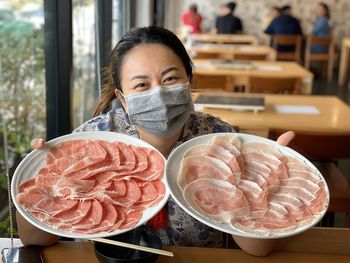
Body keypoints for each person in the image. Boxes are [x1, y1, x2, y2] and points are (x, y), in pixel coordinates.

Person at [16, 26, 295, 256]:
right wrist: (50, 178)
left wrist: (265, 181)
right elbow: (33, 239)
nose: (159, 94)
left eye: (171, 78)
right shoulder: (94, 141)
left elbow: (258, 249)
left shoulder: (218, 139)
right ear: (123, 99)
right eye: (141, 85)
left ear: (189, 81)